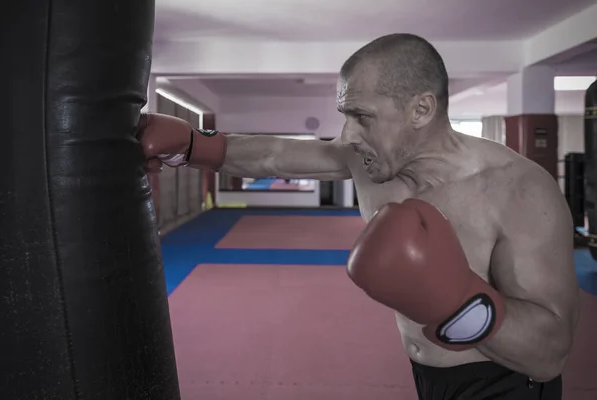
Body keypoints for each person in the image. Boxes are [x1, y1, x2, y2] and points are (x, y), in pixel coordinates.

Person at [138, 33, 580, 399]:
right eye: (345, 115)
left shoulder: (519, 190)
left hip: (504, 386)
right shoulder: (366, 161)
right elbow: (274, 154)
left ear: (421, 110)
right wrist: (195, 146)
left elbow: (549, 354)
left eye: (362, 117)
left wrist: (461, 300)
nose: (348, 134)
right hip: (425, 378)